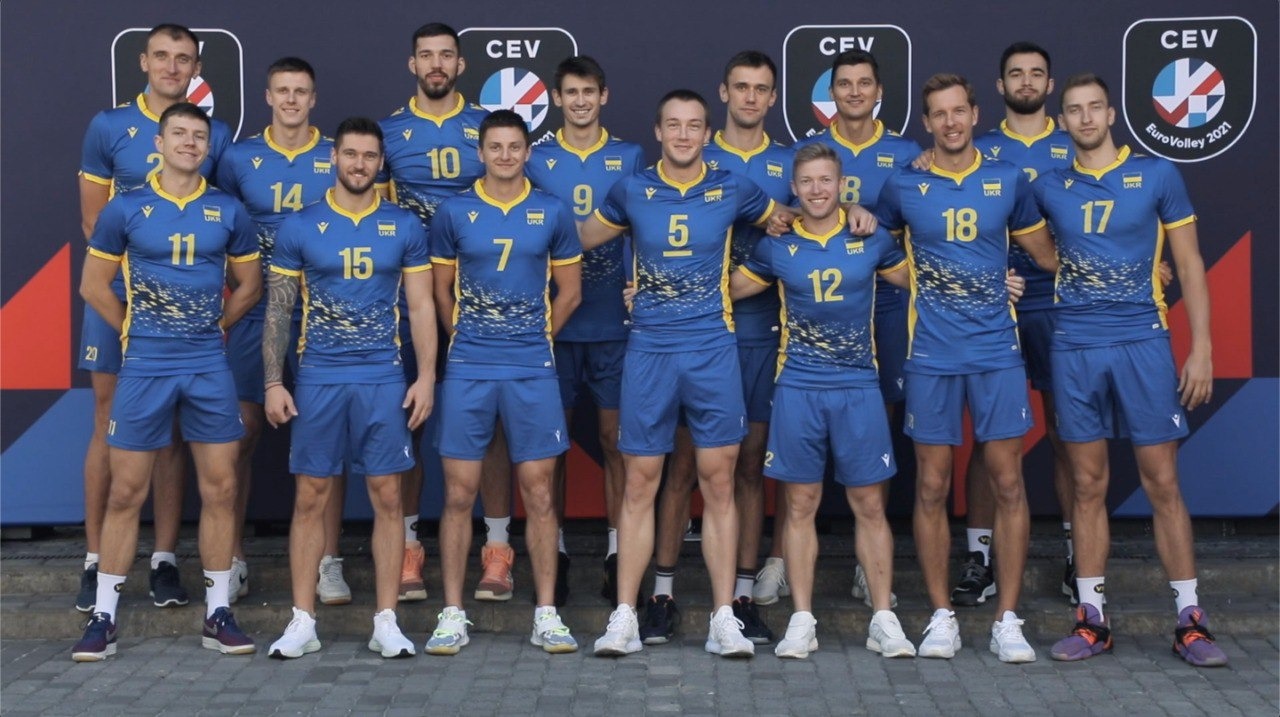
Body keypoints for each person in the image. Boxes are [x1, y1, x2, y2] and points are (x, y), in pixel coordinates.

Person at [585, 89, 798, 659]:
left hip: (711, 348)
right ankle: (624, 616)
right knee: (640, 482)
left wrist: (852, 214)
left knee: (719, 480)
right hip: (650, 350)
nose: (683, 135)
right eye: (673, 125)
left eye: (694, 125)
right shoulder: (631, 189)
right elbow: (575, 239)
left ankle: (723, 617)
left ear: (708, 133)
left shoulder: (733, 187)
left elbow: (789, 221)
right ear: (658, 131)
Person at [1037, 74, 1226, 667]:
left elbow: (1189, 265)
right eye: (1074, 110)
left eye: (1094, 107)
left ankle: (1191, 621)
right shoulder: (1048, 185)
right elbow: (1020, 241)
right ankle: (1092, 620)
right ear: (1062, 122)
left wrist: (1202, 349)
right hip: (1074, 345)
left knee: (1162, 481)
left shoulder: (1158, 174)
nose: (1086, 118)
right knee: (1087, 484)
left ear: (1111, 113)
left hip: (1143, 341)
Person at [873, 74, 1057, 663]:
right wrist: (921, 279)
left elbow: (1049, 254)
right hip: (931, 352)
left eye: (958, 111)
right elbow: (866, 242)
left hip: (996, 350)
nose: (950, 122)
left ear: (975, 114)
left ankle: (1007, 618)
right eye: (939, 114)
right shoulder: (904, 183)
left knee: (1008, 482)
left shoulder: (1008, 179)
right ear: (926, 123)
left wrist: (1144, 263)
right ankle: (941, 616)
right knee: (931, 485)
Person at [72, 103, 260, 661]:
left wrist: (216, 326)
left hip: (207, 365)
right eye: (178, 133)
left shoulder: (228, 209)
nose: (189, 143)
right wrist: (133, 330)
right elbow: (93, 285)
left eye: (198, 136)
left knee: (221, 488)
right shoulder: (125, 207)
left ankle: (218, 613)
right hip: (145, 365)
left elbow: (250, 284)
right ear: (159, 143)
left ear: (208, 146)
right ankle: (104, 617)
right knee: (127, 491)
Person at [728, 143, 916, 660]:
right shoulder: (777, 245)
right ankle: (802, 620)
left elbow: (924, 282)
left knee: (870, 505)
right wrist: (652, 295)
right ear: (794, 188)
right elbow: (726, 289)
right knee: (799, 505)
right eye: (807, 181)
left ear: (841, 185)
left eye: (825, 180)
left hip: (858, 387)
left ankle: (883, 618)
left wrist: (994, 285)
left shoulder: (871, 238)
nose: (817, 190)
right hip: (798, 388)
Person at [262, 116, 435, 660]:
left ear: (381, 163)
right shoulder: (300, 225)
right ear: (334, 158)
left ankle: (386, 620)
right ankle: (301, 620)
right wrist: (273, 380)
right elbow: (279, 312)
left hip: (383, 376)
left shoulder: (403, 225)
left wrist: (426, 376)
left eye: (369, 156)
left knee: (388, 495)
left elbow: (421, 307)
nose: (360, 164)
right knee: (310, 496)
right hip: (318, 376)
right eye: (351, 154)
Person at [75, 23, 232, 615]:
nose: (172, 66)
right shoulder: (109, 125)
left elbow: (212, 220)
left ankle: (164, 558)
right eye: (162, 56)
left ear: (196, 68)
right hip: (118, 296)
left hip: (184, 314)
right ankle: (96, 560)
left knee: (172, 429)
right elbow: (94, 223)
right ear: (142, 61)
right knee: (107, 418)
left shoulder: (211, 134)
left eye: (183, 58)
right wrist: (132, 313)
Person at [645, 50, 794, 646]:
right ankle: (661, 593)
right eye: (741, 87)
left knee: (748, 464)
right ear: (724, 94)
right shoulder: (695, 156)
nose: (751, 97)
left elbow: (808, 217)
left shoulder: (788, 163)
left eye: (762, 88)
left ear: (773, 97)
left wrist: (851, 209)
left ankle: (741, 595)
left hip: (761, 333)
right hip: (697, 333)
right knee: (681, 465)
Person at [425, 109, 583, 656]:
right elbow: (440, 291)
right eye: (496, 147)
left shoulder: (551, 210)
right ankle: (452, 614)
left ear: (527, 152)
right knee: (458, 493)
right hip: (469, 366)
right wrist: (465, 340)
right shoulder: (454, 211)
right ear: (481, 152)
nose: (505, 156)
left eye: (515, 146)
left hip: (531, 367)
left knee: (538, 491)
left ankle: (546, 614)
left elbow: (571, 292)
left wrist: (537, 339)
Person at [950, 42, 1078, 609]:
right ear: (999, 87)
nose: (1026, 81)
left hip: (1060, 303)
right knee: (990, 439)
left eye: (1036, 74)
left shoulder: (1074, 142)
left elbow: (1109, 216)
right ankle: (979, 558)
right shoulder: (977, 149)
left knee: (1069, 433)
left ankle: (1078, 556)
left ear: (1050, 85)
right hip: (991, 307)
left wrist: (1149, 263)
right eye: (1015, 74)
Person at [794, 49, 922, 607]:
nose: (853, 92)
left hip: (887, 304)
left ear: (879, 91)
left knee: (878, 425)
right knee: (800, 434)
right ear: (832, 93)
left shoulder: (907, 153)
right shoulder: (807, 153)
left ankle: (869, 568)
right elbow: (788, 220)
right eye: (843, 83)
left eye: (863, 83)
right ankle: (785, 558)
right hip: (820, 308)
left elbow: (926, 224)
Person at [215, 56, 344, 606]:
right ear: (268, 96)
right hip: (257, 312)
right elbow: (220, 226)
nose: (291, 100)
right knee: (241, 434)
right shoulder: (238, 158)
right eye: (282, 91)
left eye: (301, 91)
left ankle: (329, 562)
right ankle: (234, 560)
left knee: (324, 440)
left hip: (322, 315)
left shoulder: (335, 154)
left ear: (313, 99)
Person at [525, 56, 646, 606]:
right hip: (555, 324)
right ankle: (557, 552)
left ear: (604, 96)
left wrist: (642, 283)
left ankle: (620, 553)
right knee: (551, 448)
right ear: (556, 98)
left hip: (613, 325)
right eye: (570, 92)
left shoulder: (629, 156)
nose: (579, 101)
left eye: (588, 92)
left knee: (616, 442)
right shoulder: (537, 157)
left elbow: (644, 230)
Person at [377, 22, 488, 603]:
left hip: (480, 302)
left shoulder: (487, 128)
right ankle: (409, 546)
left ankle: (497, 546)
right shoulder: (390, 132)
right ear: (412, 64)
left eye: (447, 55)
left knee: (490, 427)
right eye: (427, 55)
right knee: (409, 422)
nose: (437, 64)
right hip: (408, 303)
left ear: (461, 65)